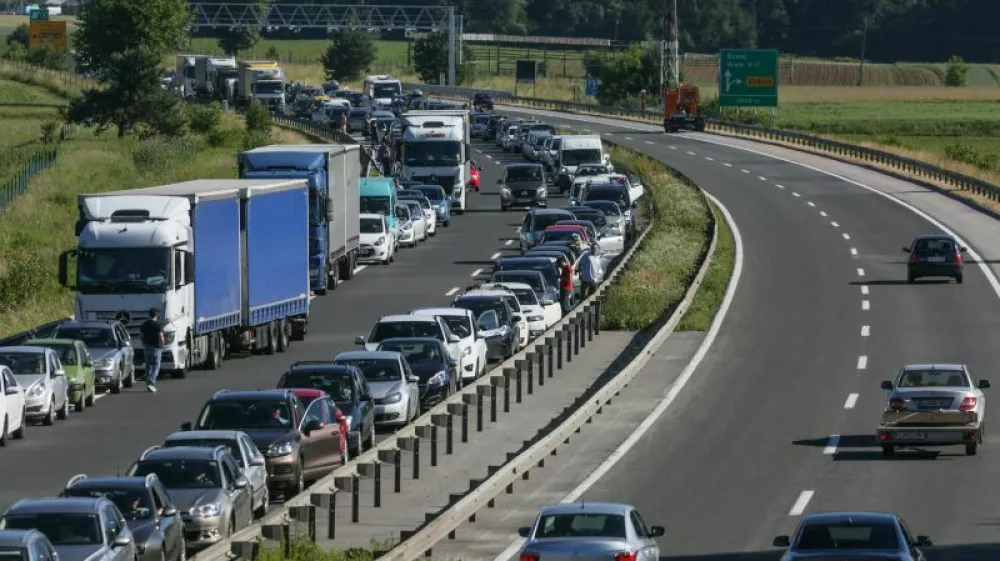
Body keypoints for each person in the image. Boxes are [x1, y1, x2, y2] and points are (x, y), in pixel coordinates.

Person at [139, 308, 165, 393]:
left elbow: (141, 337)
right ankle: (152, 380)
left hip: (147, 348)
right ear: (156, 315)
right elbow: (161, 337)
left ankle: (149, 384)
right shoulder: (158, 325)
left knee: (148, 366)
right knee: (156, 366)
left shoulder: (144, 325)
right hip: (156, 348)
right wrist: (163, 343)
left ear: (149, 315)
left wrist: (144, 343)